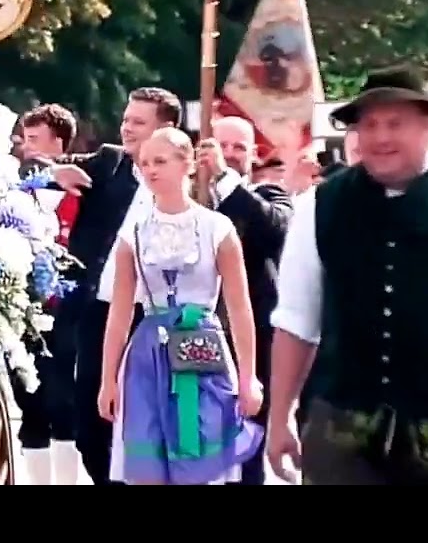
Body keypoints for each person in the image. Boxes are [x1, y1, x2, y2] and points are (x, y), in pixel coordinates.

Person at [267, 69, 428, 485]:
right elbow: (296, 320)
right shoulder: (320, 204)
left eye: (395, 123)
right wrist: (281, 418)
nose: (380, 138)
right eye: (369, 125)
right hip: (340, 432)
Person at [99, 127, 263, 484]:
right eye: (144, 163)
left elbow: (239, 308)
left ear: (187, 163)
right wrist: (107, 379)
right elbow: (120, 313)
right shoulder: (135, 233)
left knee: (200, 458)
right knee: (148, 464)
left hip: (202, 352)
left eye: (160, 161)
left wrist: (249, 377)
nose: (150, 170)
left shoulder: (217, 228)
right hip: (147, 356)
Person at [44, 86, 181, 484]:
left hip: (156, 320)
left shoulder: (184, 181)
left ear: (165, 127)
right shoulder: (108, 163)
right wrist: (52, 173)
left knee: (148, 428)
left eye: (139, 122)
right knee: (90, 426)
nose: (127, 128)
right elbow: (38, 169)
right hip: (99, 316)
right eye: (126, 119)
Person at [198, 116, 292, 484]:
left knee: (246, 449)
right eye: (223, 145)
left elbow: (273, 229)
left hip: (249, 343)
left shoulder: (269, 196)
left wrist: (224, 179)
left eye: (240, 147)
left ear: (254, 155)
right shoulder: (186, 200)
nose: (231, 154)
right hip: (190, 339)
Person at [13, 103, 82, 485]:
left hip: (69, 313)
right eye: (25, 139)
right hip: (26, 311)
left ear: (59, 142)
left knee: (64, 403)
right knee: (31, 405)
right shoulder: (17, 187)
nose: (27, 147)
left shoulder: (83, 187)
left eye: (36, 139)